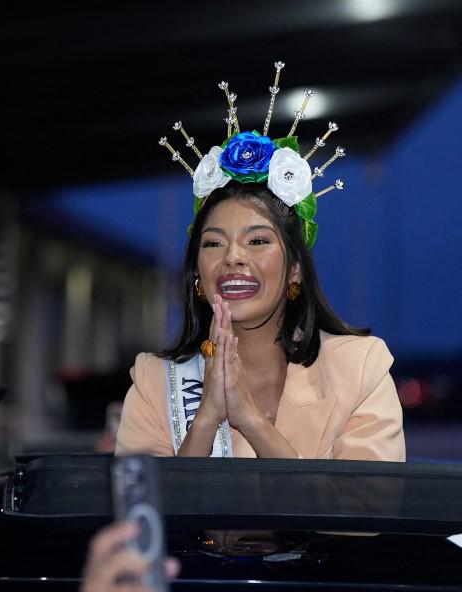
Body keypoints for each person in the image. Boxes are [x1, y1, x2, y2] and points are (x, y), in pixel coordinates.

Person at [116, 74, 405, 461]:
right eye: (214, 243)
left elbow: (362, 518)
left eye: (257, 240)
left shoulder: (359, 368)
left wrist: (250, 418)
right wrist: (206, 419)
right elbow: (146, 517)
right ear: (197, 273)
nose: (233, 257)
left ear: (296, 269)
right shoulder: (154, 382)